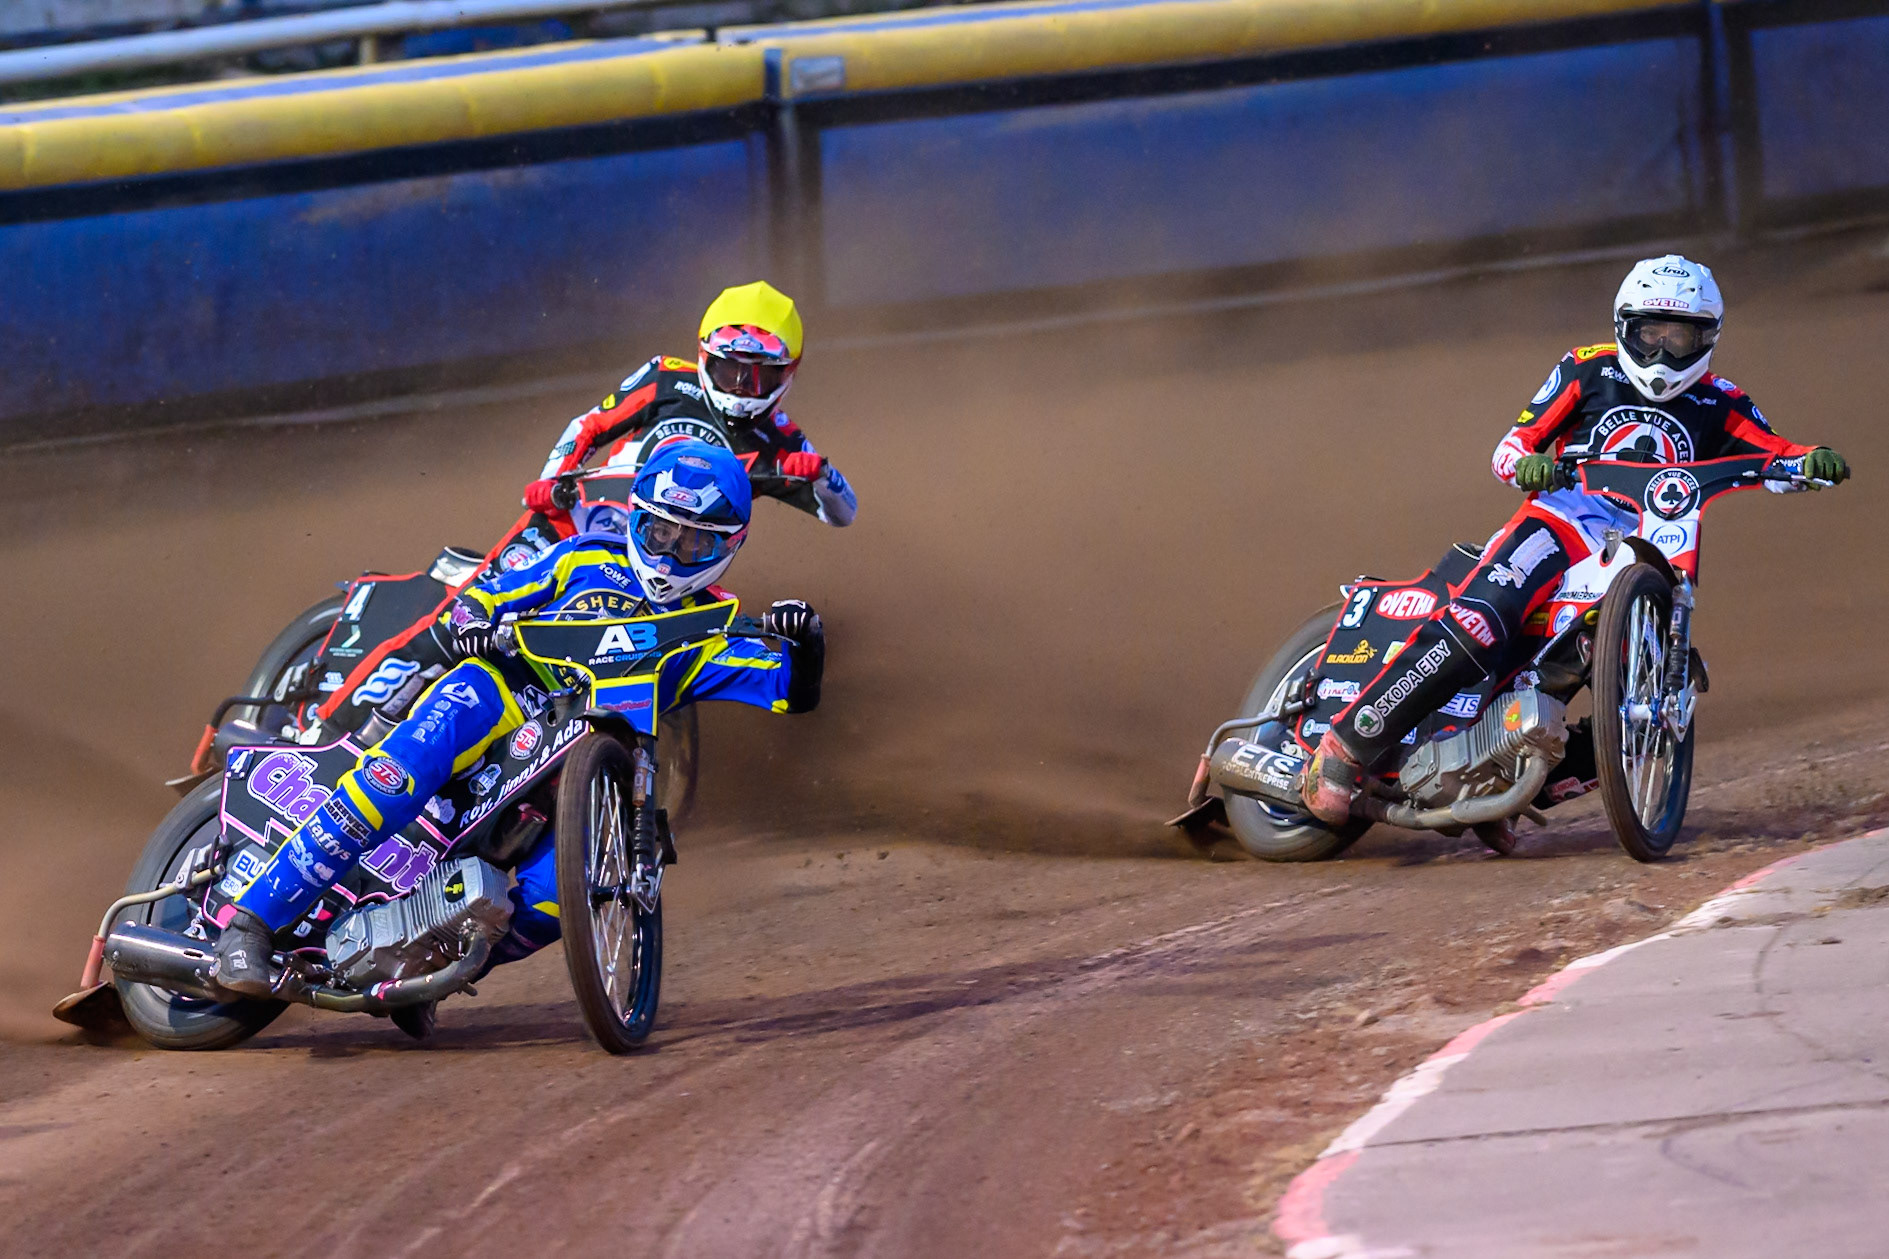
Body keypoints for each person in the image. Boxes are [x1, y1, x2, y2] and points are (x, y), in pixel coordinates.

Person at [213, 442, 826, 995]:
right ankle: (251, 926)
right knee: (396, 776)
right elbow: (490, 594)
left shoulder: (716, 627)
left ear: (729, 546)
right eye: (659, 532)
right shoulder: (585, 557)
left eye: (693, 544)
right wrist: (476, 621)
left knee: (561, 897)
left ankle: (435, 974)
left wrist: (808, 643)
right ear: (636, 518)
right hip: (502, 692)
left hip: (582, 768)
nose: (669, 555)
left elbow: (788, 690)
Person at [1301, 255, 1853, 826]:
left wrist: (1812, 460)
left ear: (1708, 337)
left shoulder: (1723, 401)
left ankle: (1507, 783)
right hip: (1561, 520)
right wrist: (1529, 466)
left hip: (1646, 545)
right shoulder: (1587, 369)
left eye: (1680, 336)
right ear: (1624, 327)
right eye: (1650, 333)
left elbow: (1776, 455)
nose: (1662, 352)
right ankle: (1349, 743)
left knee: (1659, 682)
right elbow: (1511, 447)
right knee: (1483, 618)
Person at [523, 279, 857, 529]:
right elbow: (590, 425)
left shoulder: (781, 440)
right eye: (729, 369)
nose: (740, 386)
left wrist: (822, 476)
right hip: (586, 518)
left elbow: (844, 514)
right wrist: (551, 480)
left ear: (787, 373)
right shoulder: (665, 377)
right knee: (508, 569)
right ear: (705, 357)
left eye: (759, 376)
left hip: (669, 562)